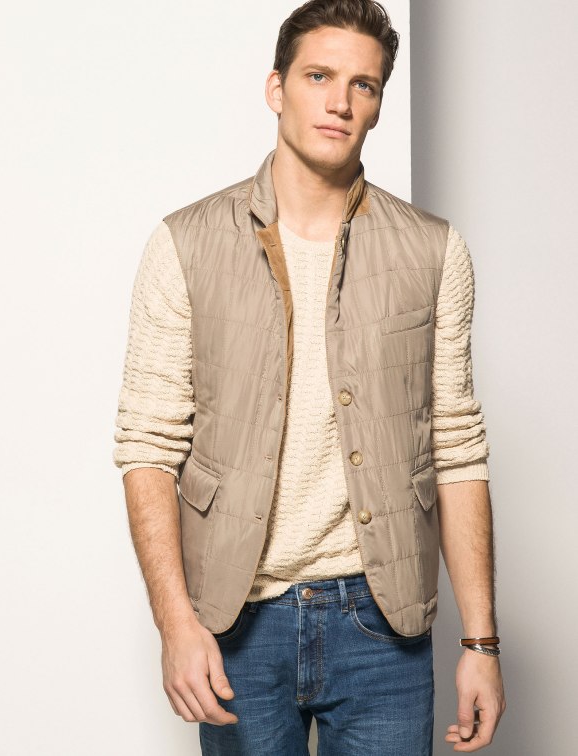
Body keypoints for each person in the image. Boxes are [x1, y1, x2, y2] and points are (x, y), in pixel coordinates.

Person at [113, 0, 506, 753]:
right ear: (276, 88)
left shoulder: (434, 251)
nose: (340, 102)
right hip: (236, 624)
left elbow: (457, 448)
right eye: (319, 76)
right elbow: (147, 447)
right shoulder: (184, 244)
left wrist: (481, 644)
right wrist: (175, 623)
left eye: (364, 85)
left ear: (378, 106)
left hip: (382, 626)